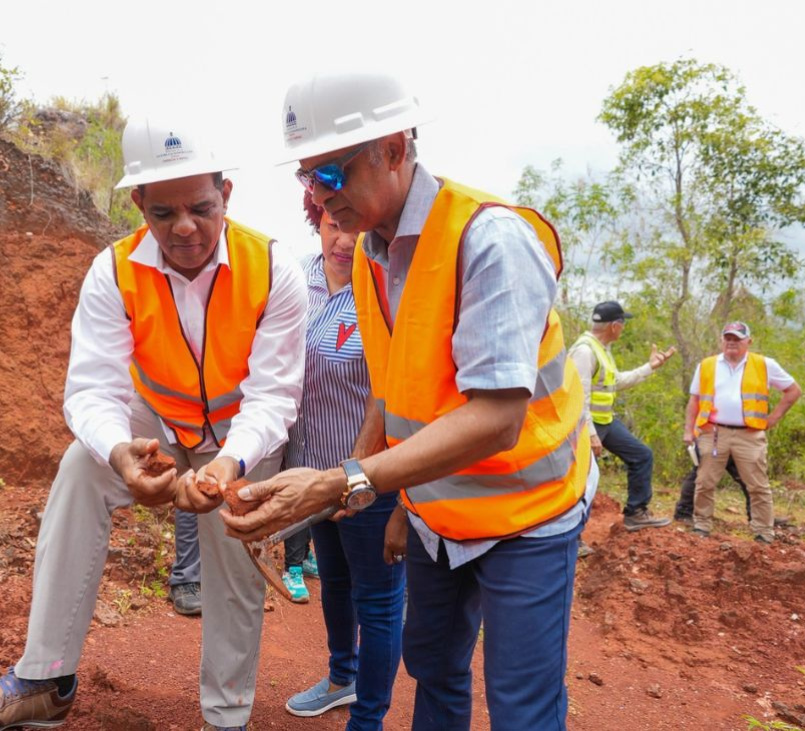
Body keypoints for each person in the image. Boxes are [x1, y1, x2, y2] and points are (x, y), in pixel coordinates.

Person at [225, 70, 596, 731]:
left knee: (521, 707)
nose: (318, 194)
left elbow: (497, 418)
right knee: (433, 669)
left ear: (393, 149)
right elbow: (392, 387)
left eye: (331, 172)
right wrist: (374, 491)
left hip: (526, 515)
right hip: (436, 515)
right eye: (306, 177)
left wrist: (346, 478)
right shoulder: (374, 252)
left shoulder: (489, 240)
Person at [0, 118, 306, 731]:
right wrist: (119, 454)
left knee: (234, 547)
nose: (184, 227)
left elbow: (273, 396)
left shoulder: (274, 269)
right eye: (164, 212)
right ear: (139, 203)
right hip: (156, 423)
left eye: (201, 208)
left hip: (241, 431)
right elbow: (92, 388)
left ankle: (227, 717)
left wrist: (226, 465)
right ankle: (45, 679)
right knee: (80, 469)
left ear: (226, 194)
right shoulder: (112, 271)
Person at [281, 191, 406, 728]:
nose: (344, 240)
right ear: (317, 222)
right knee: (333, 581)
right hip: (310, 471)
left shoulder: (383, 289)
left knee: (377, 600)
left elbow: (391, 388)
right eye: (332, 225)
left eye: (353, 228)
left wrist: (355, 475)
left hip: (369, 478)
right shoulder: (294, 282)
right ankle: (341, 678)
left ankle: (368, 718)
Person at [684, 322, 801, 542]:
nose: (732, 342)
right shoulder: (707, 365)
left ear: (748, 341)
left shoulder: (764, 364)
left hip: (749, 434)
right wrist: (688, 431)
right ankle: (701, 526)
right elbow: (694, 400)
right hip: (713, 432)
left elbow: (793, 391)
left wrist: (772, 419)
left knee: (758, 485)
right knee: (704, 482)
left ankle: (763, 532)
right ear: (721, 340)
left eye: (737, 339)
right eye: (728, 338)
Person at [568, 300, 676, 531]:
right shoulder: (585, 351)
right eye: (623, 324)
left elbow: (616, 382)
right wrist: (591, 433)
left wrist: (650, 367)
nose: (623, 328)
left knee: (641, 455)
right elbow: (578, 397)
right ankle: (573, 536)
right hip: (586, 425)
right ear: (615, 326)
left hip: (605, 421)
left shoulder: (602, 349)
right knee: (583, 478)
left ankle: (636, 513)